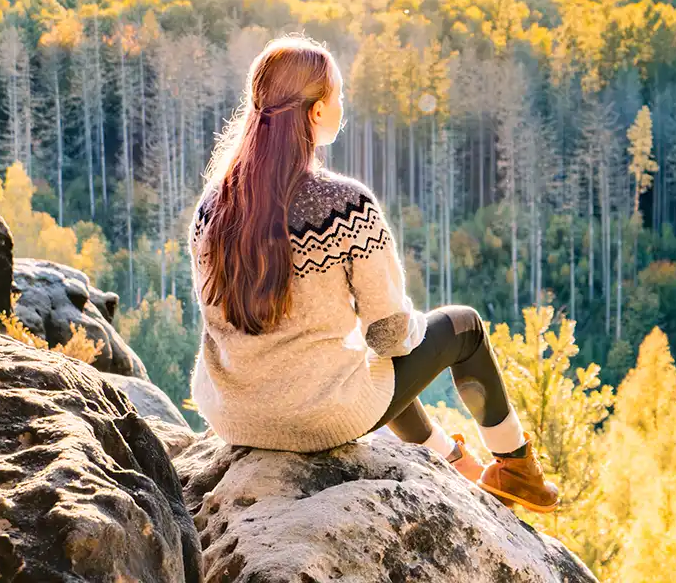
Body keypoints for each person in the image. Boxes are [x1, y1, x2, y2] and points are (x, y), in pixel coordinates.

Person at [187, 34, 559, 513]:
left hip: (233, 412)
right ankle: (517, 468)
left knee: (369, 367)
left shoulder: (213, 205)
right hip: (314, 418)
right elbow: (390, 335)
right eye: (338, 95)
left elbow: (215, 320)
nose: (343, 104)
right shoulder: (344, 207)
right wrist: (421, 326)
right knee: (460, 327)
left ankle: (451, 458)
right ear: (317, 112)